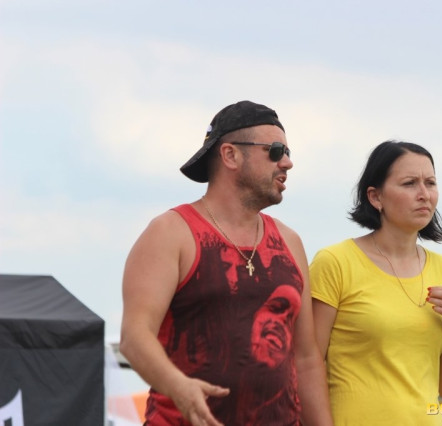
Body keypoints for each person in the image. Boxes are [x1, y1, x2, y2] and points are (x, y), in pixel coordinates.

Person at [120, 100, 333, 426]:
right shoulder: (171, 232)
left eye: (288, 152)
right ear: (230, 155)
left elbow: (305, 359)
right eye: (275, 151)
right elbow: (135, 337)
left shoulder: (290, 242)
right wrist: (178, 387)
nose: (287, 163)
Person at [310, 140, 442, 426]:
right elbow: (306, 364)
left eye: (430, 183)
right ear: (375, 197)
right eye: (410, 183)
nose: (424, 194)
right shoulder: (335, 262)